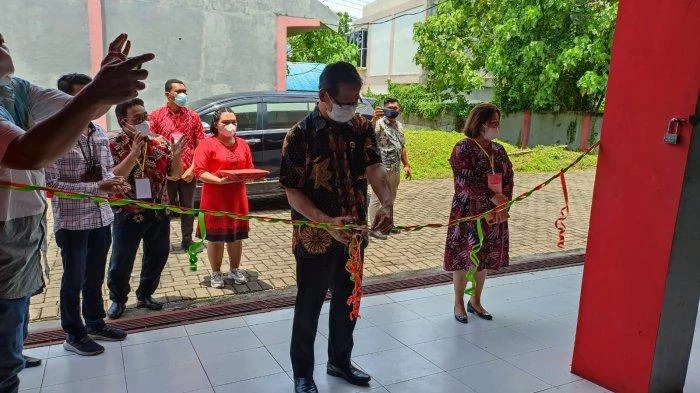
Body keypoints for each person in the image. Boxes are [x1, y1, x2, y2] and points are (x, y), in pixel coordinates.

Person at [0, 32, 153, 393]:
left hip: (58, 218)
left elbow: (93, 110)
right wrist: (95, 187)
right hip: (64, 218)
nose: (4, 41)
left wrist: (102, 88)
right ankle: (67, 335)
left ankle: (21, 349)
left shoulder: (17, 89)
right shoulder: (52, 133)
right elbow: (29, 158)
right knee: (68, 281)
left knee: (21, 299)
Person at [279, 61, 394, 393]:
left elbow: (374, 167)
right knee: (309, 306)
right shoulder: (299, 135)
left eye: (356, 100)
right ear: (324, 97)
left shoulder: (361, 128)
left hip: (354, 236)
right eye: (345, 101)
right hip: (314, 238)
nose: (351, 107)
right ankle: (303, 374)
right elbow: (292, 191)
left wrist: (385, 201)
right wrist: (325, 221)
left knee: (349, 300)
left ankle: (340, 362)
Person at [44, 74, 130, 356]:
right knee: (74, 278)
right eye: (81, 95)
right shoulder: (55, 134)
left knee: (94, 276)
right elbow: (51, 185)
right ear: (65, 100)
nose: (89, 102)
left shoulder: (99, 132)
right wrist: (98, 185)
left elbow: (105, 171)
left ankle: (95, 322)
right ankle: (73, 333)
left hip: (101, 216)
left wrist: (115, 182)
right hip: (73, 221)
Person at [106, 98, 185, 319]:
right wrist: (134, 153)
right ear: (124, 122)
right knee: (122, 259)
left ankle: (145, 295)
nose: (144, 122)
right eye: (137, 119)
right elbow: (113, 177)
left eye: (145, 117)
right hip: (127, 213)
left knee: (158, 256)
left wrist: (177, 155)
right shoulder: (113, 144)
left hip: (159, 211)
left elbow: (174, 174)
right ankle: (118, 299)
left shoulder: (160, 142)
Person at [444, 103, 514, 324]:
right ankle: (458, 303)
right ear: (479, 123)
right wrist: (490, 197)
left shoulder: (499, 151)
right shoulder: (463, 148)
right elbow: (464, 181)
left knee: (483, 258)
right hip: (468, 212)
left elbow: (509, 178)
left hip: (494, 213)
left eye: (497, 123)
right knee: (464, 258)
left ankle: (475, 301)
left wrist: (503, 205)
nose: (496, 127)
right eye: (493, 123)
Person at [193, 108, 252, 288]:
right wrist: (219, 180)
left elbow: (249, 167)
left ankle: (234, 269)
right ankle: (216, 273)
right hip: (214, 199)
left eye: (233, 121)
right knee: (216, 238)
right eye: (225, 122)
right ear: (215, 125)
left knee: (236, 237)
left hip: (237, 198)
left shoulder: (243, 144)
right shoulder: (206, 144)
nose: (230, 125)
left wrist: (249, 176)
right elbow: (199, 171)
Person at [149, 79, 205, 251]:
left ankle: (187, 240)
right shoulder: (156, 116)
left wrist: (193, 168)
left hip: (188, 172)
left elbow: (200, 145)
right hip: (166, 174)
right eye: (179, 91)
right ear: (168, 94)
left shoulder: (193, 116)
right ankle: (161, 241)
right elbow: (150, 143)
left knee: (187, 208)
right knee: (164, 209)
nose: (183, 95)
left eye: (185, 92)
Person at [369, 97, 412, 239]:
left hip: (395, 168)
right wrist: (374, 119)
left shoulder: (399, 126)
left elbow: (402, 146)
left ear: (399, 109)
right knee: (377, 199)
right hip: (380, 168)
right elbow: (369, 135)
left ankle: (388, 225)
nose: (393, 110)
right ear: (384, 109)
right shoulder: (379, 124)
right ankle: (375, 228)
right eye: (389, 108)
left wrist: (406, 164)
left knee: (390, 198)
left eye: (395, 108)